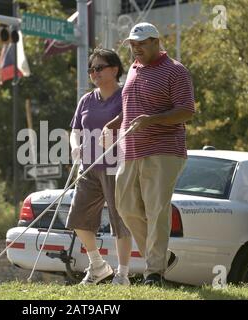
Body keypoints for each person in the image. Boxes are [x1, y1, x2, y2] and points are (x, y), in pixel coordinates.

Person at [101, 23, 195, 286]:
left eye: (141, 43)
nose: (136, 48)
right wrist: (117, 120)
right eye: (132, 44)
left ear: (156, 41)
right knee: (125, 207)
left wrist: (152, 121)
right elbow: (135, 105)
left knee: (156, 210)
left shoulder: (175, 71)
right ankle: (161, 258)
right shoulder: (134, 68)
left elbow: (186, 111)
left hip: (164, 150)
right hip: (130, 149)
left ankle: (154, 272)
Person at [66, 48, 132, 285]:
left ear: (114, 69)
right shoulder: (86, 99)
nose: (94, 73)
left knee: (120, 220)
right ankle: (97, 265)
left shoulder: (126, 95)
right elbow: (75, 130)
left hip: (117, 165)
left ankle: (122, 274)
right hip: (88, 166)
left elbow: (131, 124)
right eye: (91, 69)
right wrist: (75, 147)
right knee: (77, 218)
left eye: (99, 68)